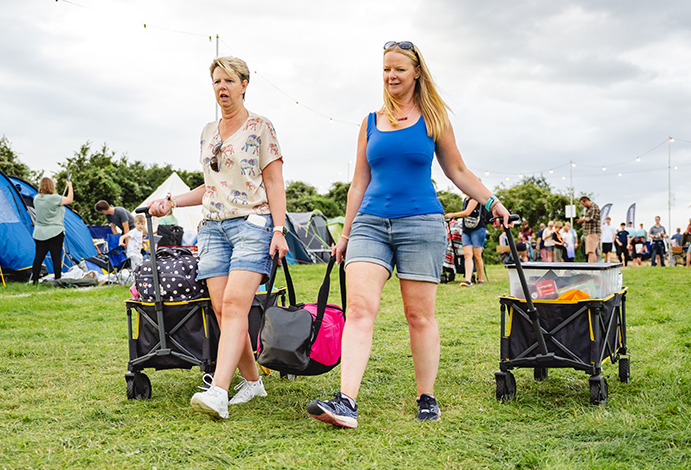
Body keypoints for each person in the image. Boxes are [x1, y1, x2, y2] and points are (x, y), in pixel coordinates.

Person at [307, 40, 509, 429]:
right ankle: (346, 401)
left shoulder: (434, 120)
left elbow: (459, 172)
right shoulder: (370, 121)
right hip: (370, 224)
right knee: (360, 310)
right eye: (385, 69)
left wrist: (492, 201)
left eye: (399, 69)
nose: (391, 76)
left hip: (421, 224)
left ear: (416, 72)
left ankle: (426, 397)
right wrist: (345, 235)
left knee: (419, 316)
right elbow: (358, 183)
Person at [145, 56, 288, 420]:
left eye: (229, 80)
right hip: (213, 227)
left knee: (237, 306)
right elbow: (211, 187)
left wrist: (278, 229)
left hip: (253, 224)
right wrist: (172, 200)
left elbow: (273, 182)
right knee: (223, 311)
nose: (222, 87)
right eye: (216, 82)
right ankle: (253, 382)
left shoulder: (260, 127)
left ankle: (219, 392)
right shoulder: (208, 131)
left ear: (244, 84)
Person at [30, 176, 73, 284]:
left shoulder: (36, 198)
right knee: (56, 258)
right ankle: (57, 279)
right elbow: (70, 200)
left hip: (39, 233)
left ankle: (34, 280)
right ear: (51, 186)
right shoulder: (54, 198)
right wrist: (70, 187)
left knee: (38, 258)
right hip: (55, 232)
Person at [444, 195, 489, 286]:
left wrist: (453, 214)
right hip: (466, 229)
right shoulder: (466, 199)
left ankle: (480, 279)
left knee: (477, 255)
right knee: (467, 255)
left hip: (478, 228)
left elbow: (467, 212)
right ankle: (467, 280)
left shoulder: (475, 198)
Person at [577, 196, 602, 263]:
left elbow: (593, 219)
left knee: (591, 251)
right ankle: (592, 266)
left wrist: (583, 219)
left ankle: (592, 266)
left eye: (583, 204)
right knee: (591, 251)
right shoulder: (588, 209)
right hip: (589, 233)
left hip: (592, 232)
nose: (583, 206)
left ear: (586, 201)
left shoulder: (594, 207)